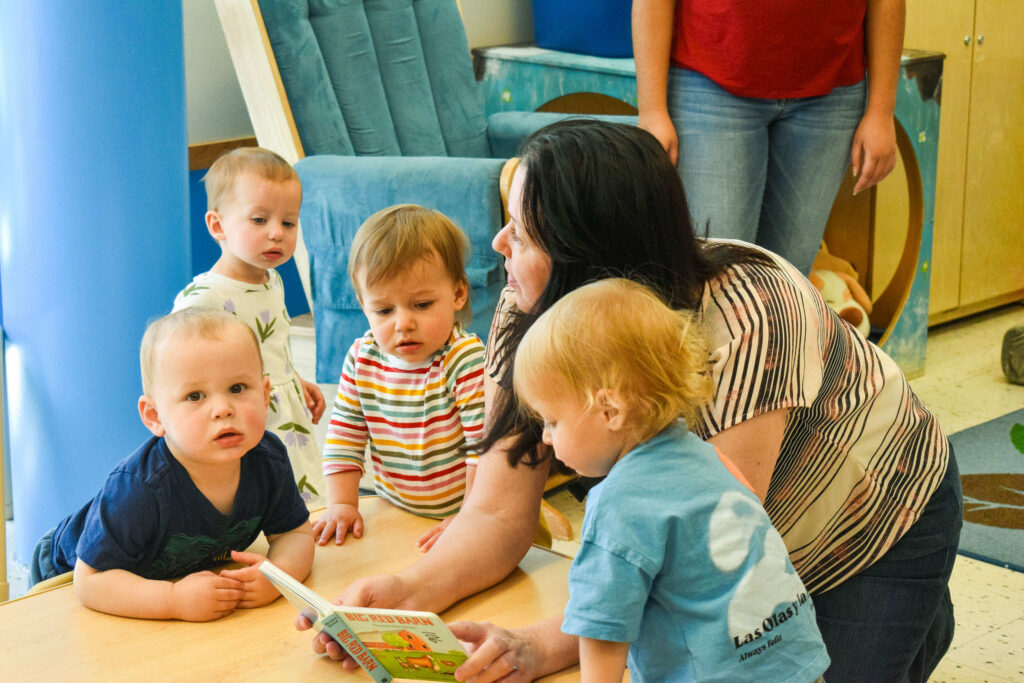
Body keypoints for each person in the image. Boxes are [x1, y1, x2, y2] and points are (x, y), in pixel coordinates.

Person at [299, 120, 961, 683]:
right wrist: (399, 597)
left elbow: (713, 555)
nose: (500, 247)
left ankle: (915, 604)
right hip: (745, 548)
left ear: (584, 255)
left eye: (522, 234)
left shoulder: (751, 312)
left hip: (877, 516)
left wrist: (542, 643)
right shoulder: (532, 307)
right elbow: (498, 508)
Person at [513, 277, 830, 681]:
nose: (545, 435)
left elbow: (601, 627)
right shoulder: (706, 455)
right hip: (795, 665)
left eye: (552, 419)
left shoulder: (619, 501)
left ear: (610, 410)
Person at [30, 309, 315, 621]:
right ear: (154, 417)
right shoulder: (140, 488)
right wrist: (174, 599)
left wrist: (278, 577)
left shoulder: (268, 459)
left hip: (170, 575)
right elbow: (91, 582)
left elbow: (295, 535)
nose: (222, 409)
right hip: (71, 573)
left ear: (264, 394)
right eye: (195, 395)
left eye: (237, 388)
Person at [632, 0, 905, 274]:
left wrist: (882, 110)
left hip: (830, 91)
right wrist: (652, 109)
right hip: (711, 80)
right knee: (716, 277)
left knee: (789, 278)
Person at [312, 204, 485, 549]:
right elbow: (344, 436)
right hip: (396, 507)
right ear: (364, 306)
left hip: (466, 513)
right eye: (384, 310)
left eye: (421, 305)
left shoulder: (464, 359)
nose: (403, 323)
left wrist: (471, 515)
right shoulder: (362, 357)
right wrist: (342, 504)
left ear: (457, 294)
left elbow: (484, 450)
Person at [174, 146, 326, 508]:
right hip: (243, 415)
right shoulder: (203, 299)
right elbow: (179, 369)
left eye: (288, 222)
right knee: (257, 496)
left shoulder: (272, 280)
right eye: (259, 220)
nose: (277, 233)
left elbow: (268, 344)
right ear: (218, 225)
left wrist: (293, 378)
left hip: (285, 409)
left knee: (300, 494)